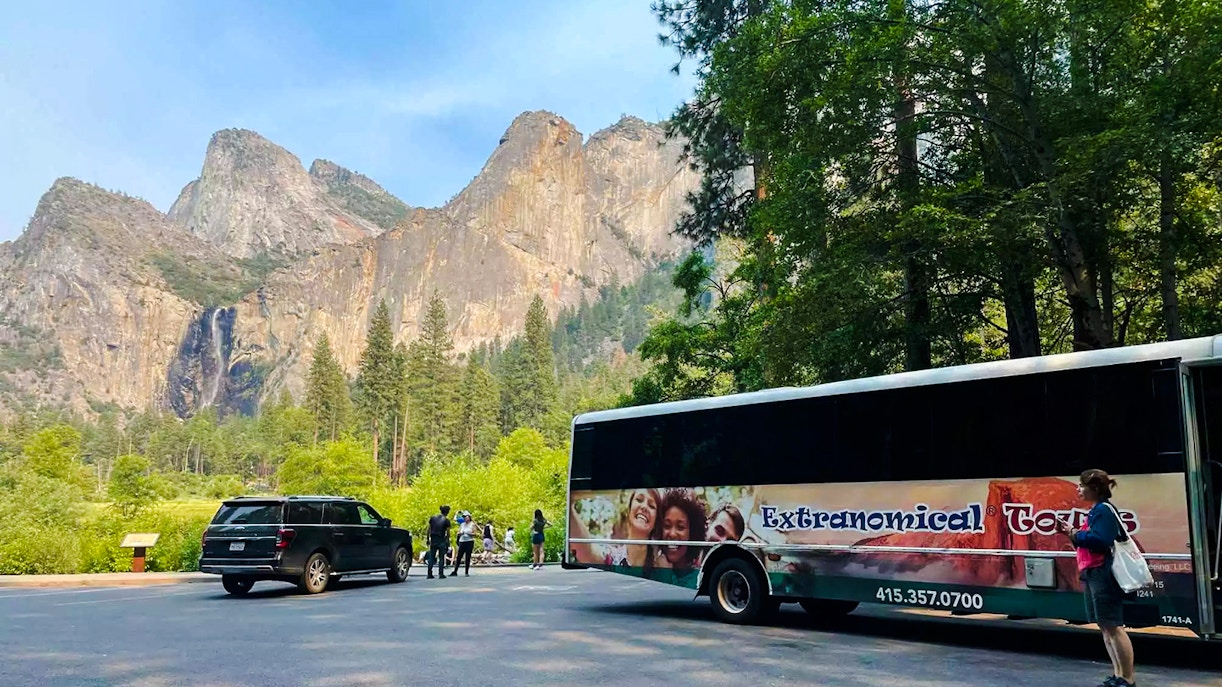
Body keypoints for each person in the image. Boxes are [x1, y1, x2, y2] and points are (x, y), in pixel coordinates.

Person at [1056, 469, 1137, 687]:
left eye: (1081, 485)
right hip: (1092, 571)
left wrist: (1075, 533)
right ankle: (1118, 674)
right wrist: (1071, 533)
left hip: (1103, 572)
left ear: (1094, 488)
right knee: (1105, 626)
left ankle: (1127, 678)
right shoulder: (1095, 511)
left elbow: (1101, 540)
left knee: (1113, 625)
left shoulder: (1103, 511)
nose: (1078, 489)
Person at [568, 488, 661, 569]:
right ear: (629, 511)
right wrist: (570, 501)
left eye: (651, 506)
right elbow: (585, 552)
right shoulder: (612, 557)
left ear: (656, 522)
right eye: (639, 500)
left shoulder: (661, 565)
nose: (644, 507)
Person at [653, 489, 707, 572]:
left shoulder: (697, 578)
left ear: (692, 533)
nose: (672, 534)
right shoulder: (648, 570)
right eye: (667, 526)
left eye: (680, 527)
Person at [426, 504, 452, 579]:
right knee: (441, 557)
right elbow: (448, 532)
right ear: (447, 512)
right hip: (441, 539)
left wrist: (428, 538)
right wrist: (447, 541)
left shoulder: (433, 518)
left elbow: (428, 529)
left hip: (433, 539)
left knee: (431, 556)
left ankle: (429, 573)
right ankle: (441, 573)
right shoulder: (446, 520)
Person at [453, 511, 477, 576]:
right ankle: (455, 571)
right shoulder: (462, 524)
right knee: (459, 557)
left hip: (469, 541)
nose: (464, 518)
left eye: (465, 517)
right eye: (463, 517)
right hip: (462, 541)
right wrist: (459, 533)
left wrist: (469, 533)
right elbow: (458, 532)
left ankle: (466, 572)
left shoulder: (472, 524)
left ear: (469, 517)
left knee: (467, 557)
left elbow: (475, 533)